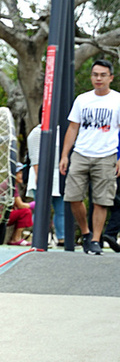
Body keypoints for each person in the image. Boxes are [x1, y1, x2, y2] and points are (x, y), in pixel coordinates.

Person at [58, 59, 120, 255]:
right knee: (73, 196)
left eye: (103, 75)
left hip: (106, 154)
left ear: (111, 77)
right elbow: (73, 127)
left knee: (101, 200)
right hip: (81, 153)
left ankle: (95, 240)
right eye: (95, 75)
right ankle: (85, 232)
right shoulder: (82, 100)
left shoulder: (117, 100)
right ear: (91, 77)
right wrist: (65, 155)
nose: (98, 78)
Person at [25, 113, 63, 247]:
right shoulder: (36, 132)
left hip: (59, 174)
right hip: (41, 174)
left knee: (61, 209)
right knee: (42, 208)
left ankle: (62, 238)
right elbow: (35, 156)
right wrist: (39, 175)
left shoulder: (63, 130)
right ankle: (39, 237)